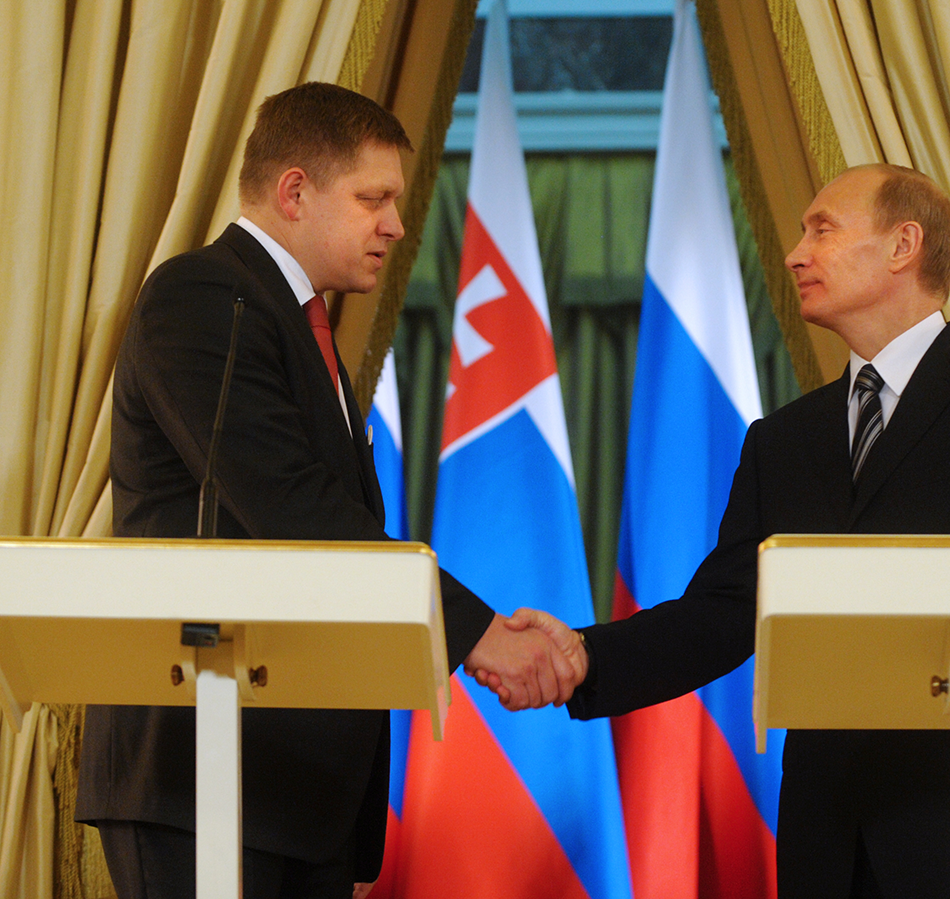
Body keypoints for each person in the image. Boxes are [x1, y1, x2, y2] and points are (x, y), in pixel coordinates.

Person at [476, 164, 950, 899]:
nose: (795, 254)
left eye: (822, 229)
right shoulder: (784, 438)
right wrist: (583, 655)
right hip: (829, 828)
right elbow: (727, 612)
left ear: (902, 246)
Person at [77, 82, 581, 899]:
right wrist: (473, 632)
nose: (396, 225)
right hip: (205, 770)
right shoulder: (204, 299)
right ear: (295, 191)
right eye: (374, 198)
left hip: (292, 787)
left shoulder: (295, 321)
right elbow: (292, 508)